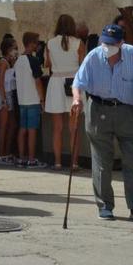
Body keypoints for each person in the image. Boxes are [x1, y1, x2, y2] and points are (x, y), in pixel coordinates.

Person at [72, 24, 133, 221]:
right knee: (101, 161)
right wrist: (77, 99)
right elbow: (78, 82)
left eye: (112, 44)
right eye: (104, 42)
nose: (107, 47)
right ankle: (105, 205)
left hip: (128, 111)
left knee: (132, 159)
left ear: (121, 43)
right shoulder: (94, 56)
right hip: (99, 109)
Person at [45, 14, 86, 170]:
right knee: (73, 127)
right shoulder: (78, 43)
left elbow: (47, 64)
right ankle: (74, 162)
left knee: (57, 127)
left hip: (56, 82)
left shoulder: (50, 43)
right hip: (73, 83)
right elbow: (83, 66)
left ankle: (57, 162)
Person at [14, 32, 47, 168]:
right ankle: (32, 159)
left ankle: (22, 158)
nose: (38, 45)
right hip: (33, 99)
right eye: (37, 42)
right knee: (32, 129)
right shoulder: (33, 60)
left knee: (23, 129)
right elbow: (38, 81)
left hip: (21, 99)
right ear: (32, 43)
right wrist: (42, 100)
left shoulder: (18, 60)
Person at [0, 37, 18, 165]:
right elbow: (1, 83)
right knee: (3, 126)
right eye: (14, 48)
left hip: (8, 95)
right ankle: (1, 154)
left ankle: (6, 152)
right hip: (3, 96)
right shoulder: (3, 63)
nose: (16, 51)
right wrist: (3, 101)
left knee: (11, 124)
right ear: (8, 50)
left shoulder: (9, 62)